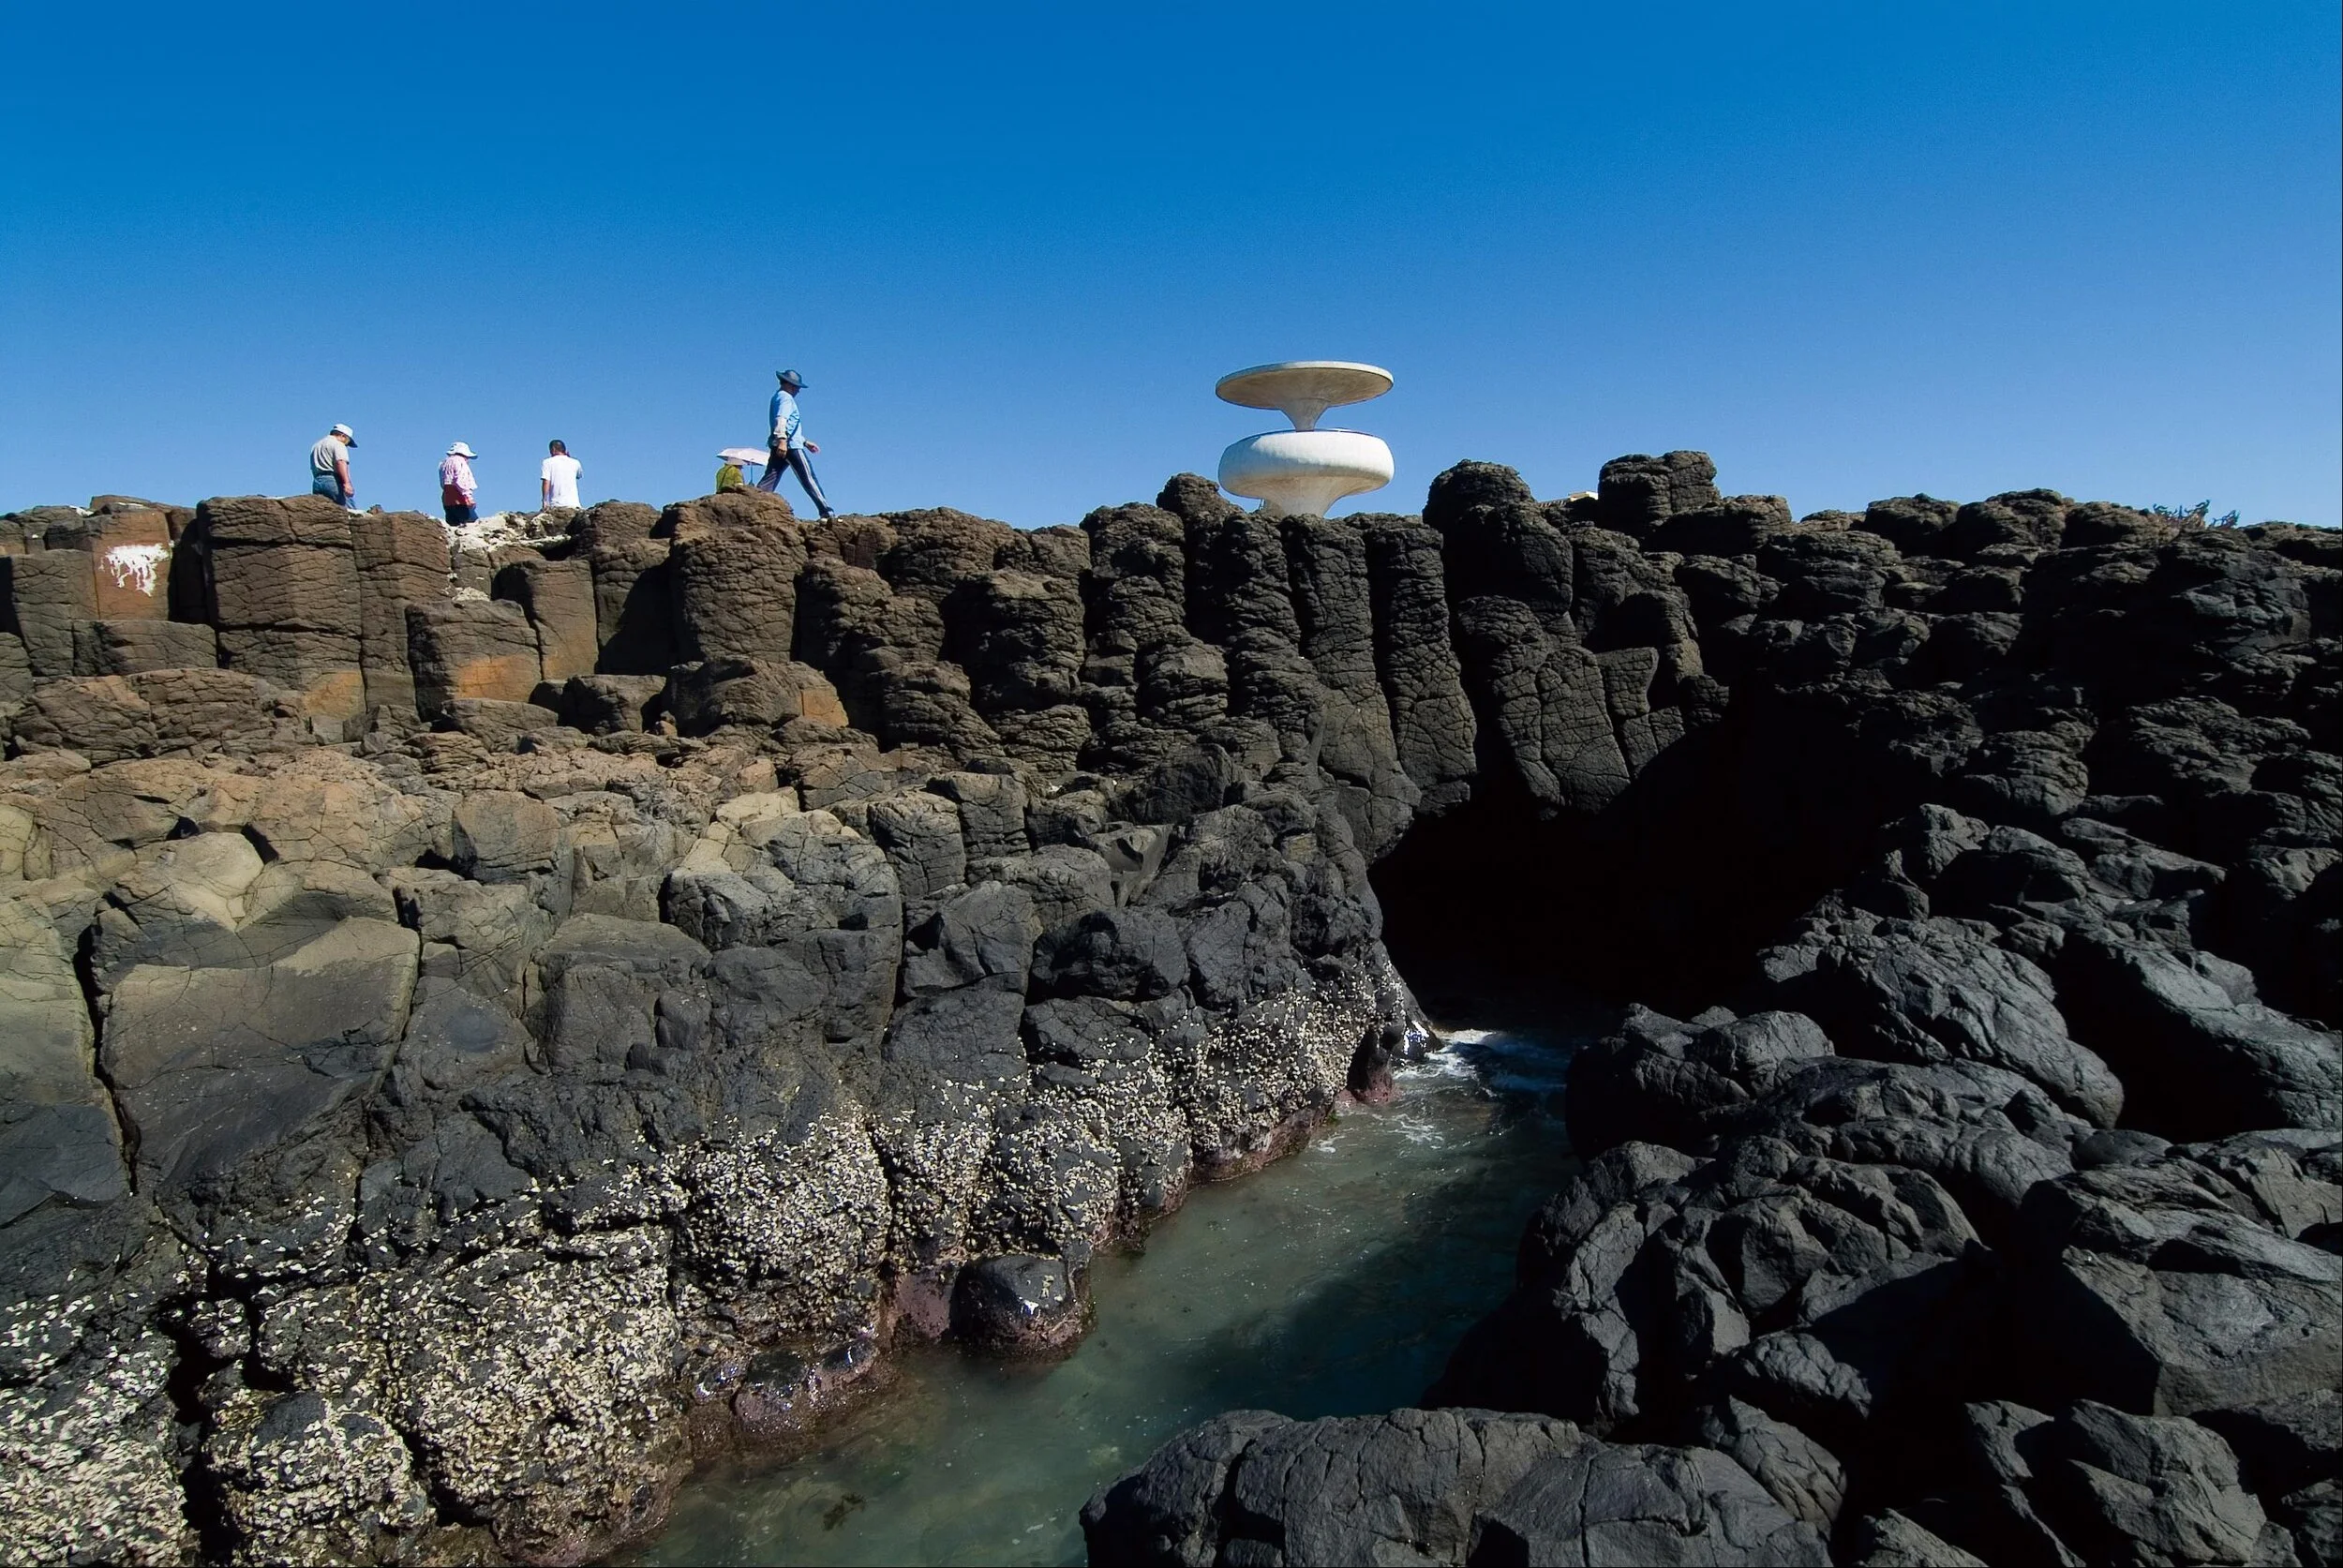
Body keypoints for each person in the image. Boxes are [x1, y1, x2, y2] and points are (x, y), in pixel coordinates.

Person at [757, 368, 835, 517]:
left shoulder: (777, 397)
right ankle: (827, 512)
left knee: (770, 478)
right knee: (808, 478)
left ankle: (754, 502)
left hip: (781, 444)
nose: (798, 390)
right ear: (788, 384)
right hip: (790, 446)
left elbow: (790, 425)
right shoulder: (785, 398)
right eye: (796, 386)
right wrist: (782, 440)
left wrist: (805, 441)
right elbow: (782, 420)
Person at [309, 424, 357, 509]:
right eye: (347, 442)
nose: (347, 445)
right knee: (349, 512)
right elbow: (340, 462)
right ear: (343, 436)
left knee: (324, 511)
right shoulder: (338, 444)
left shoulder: (316, 445)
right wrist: (347, 483)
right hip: (333, 481)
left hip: (317, 481)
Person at [438, 442, 482, 526]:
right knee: (473, 524)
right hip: (459, 497)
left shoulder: (444, 463)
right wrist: (468, 497)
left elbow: (443, 482)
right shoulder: (460, 462)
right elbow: (462, 481)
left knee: (453, 524)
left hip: (447, 498)